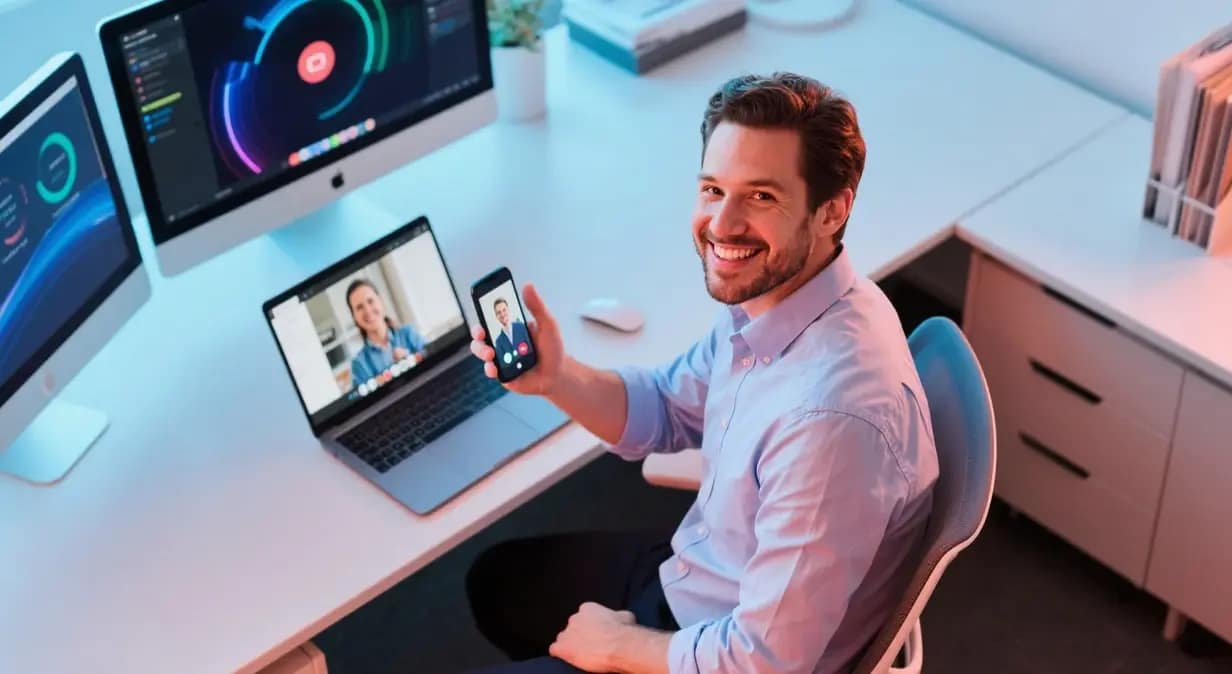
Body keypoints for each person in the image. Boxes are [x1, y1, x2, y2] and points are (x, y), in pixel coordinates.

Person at [465, 73, 939, 674]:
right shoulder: (787, 299)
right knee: (499, 583)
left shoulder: (831, 423)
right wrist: (556, 376)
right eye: (714, 189)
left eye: (762, 197)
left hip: (726, 648)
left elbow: (763, 660)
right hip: (710, 580)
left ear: (832, 210)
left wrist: (616, 648)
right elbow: (665, 409)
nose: (722, 224)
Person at [346, 279, 425, 388]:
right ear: (354, 316)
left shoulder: (408, 333)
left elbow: (436, 359)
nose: (368, 310)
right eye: (359, 307)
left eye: (370, 301)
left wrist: (411, 359)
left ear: (381, 301)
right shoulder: (359, 364)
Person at [492, 297, 531, 363]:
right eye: (499, 312)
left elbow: (531, 348)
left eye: (504, 310)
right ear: (496, 316)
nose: (502, 314)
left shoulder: (521, 327)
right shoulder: (498, 342)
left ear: (508, 310)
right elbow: (504, 364)